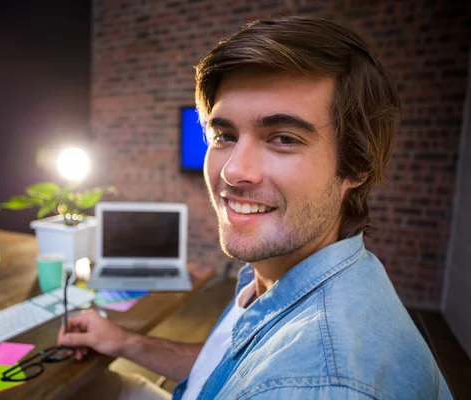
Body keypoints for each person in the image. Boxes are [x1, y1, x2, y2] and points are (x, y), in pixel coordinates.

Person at [58, 16, 453, 399]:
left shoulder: (317, 383)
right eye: (224, 135)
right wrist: (124, 342)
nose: (233, 171)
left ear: (357, 166)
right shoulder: (287, 271)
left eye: (283, 138)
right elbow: (228, 370)